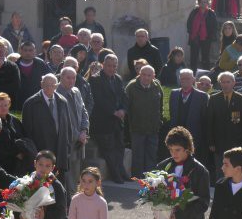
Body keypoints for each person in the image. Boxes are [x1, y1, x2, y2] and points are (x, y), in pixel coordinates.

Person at [18, 150, 66, 219]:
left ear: (53, 168)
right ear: (35, 163)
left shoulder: (56, 186)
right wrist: (19, 218)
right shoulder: (26, 182)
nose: (43, 168)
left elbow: (62, 212)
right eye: (40, 164)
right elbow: (18, 204)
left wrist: (45, 216)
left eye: (47, 166)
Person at [22, 73, 72, 176]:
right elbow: (26, 132)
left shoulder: (62, 101)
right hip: (41, 156)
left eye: (52, 85)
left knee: (58, 186)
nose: (49, 87)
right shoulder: (31, 103)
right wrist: (33, 154)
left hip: (59, 154)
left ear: (57, 86)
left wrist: (67, 150)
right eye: (46, 85)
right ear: (41, 84)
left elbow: (68, 128)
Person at [89, 54, 128, 183]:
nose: (112, 68)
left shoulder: (117, 78)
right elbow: (99, 100)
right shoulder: (95, 79)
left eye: (114, 66)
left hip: (117, 121)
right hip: (103, 122)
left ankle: (122, 172)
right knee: (109, 149)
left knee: (120, 147)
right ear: (103, 65)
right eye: (109, 66)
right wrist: (113, 112)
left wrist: (123, 109)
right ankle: (116, 175)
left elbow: (123, 96)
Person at [208, 72, 242, 179]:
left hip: (236, 143)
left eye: (228, 82)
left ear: (234, 83)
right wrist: (211, 142)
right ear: (219, 83)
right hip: (218, 143)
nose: (225, 84)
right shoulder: (213, 99)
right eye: (223, 82)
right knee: (220, 170)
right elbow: (209, 122)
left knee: (235, 170)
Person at [57, 66, 89, 202]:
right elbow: (63, 121)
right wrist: (78, 135)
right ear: (61, 77)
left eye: (74, 77)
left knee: (77, 173)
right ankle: (69, 204)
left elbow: (83, 111)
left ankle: (74, 201)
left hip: (79, 141)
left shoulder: (76, 91)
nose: (71, 80)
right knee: (68, 175)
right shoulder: (56, 93)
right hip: (67, 142)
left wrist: (84, 130)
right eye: (68, 77)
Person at [125, 65, 163, 178]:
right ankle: (138, 178)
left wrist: (159, 120)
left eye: (149, 75)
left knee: (151, 154)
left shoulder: (157, 86)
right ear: (139, 75)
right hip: (137, 128)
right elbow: (126, 106)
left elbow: (160, 106)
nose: (146, 78)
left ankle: (150, 178)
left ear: (153, 76)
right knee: (138, 155)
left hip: (153, 128)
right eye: (144, 75)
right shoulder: (131, 87)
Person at [170, 69, 210, 165]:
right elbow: (172, 113)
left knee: (192, 163)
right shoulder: (174, 93)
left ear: (193, 80)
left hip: (194, 137)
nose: (185, 80)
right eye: (182, 78)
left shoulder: (202, 96)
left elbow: (205, 119)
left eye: (188, 78)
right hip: (177, 136)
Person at [0, 92, 34, 177]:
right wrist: (15, 153)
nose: (3, 108)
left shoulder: (14, 120)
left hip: (21, 164)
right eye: (0, 106)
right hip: (3, 164)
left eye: (5, 105)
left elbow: (25, 137)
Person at [16, 41, 51, 110]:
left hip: (38, 103)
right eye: (25, 50)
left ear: (35, 51)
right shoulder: (14, 66)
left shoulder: (41, 64)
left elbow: (50, 78)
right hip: (18, 104)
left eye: (30, 50)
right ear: (20, 51)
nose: (28, 53)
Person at [187, 0, 217, 72]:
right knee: (194, 56)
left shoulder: (211, 13)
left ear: (208, 3)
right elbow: (189, 23)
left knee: (205, 56)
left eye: (205, 2)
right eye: (202, 2)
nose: (203, 4)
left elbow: (214, 26)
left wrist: (210, 36)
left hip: (206, 38)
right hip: (195, 37)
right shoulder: (194, 12)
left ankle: (206, 72)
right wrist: (192, 33)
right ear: (199, 3)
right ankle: (193, 72)